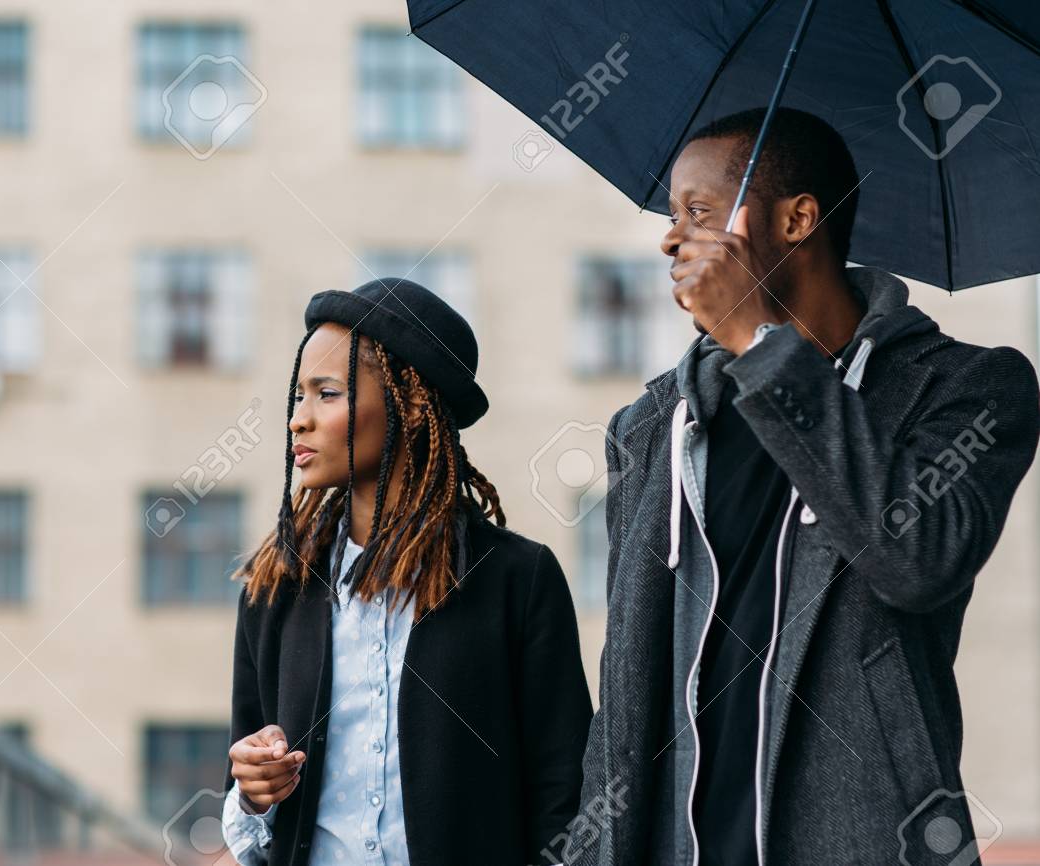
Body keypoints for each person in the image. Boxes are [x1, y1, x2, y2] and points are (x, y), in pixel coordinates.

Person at [570, 107, 1040, 865]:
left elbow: (917, 558)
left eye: (698, 211)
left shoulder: (970, 388)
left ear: (797, 219)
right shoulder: (653, 423)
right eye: (672, 215)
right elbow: (623, 678)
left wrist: (762, 346)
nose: (669, 237)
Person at [221, 277, 592, 865]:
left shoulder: (517, 581)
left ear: (411, 401)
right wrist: (253, 795)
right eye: (298, 396)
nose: (299, 420)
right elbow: (246, 798)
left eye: (328, 394)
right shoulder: (276, 590)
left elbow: (565, 798)